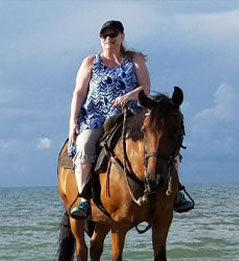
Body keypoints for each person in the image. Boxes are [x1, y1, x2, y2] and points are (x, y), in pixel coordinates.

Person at [67, 20, 192, 219]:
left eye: (113, 34)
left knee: (162, 139)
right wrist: (73, 121)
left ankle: (177, 191)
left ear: (122, 37)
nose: (108, 39)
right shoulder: (90, 62)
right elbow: (79, 92)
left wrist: (129, 96)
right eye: (104, 35)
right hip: (96, 116)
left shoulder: (135, 59)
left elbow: (146, 87)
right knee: (83, 145)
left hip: (132, 114)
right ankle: (84, 200)